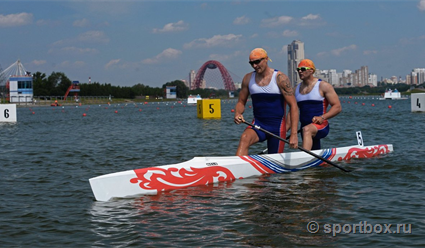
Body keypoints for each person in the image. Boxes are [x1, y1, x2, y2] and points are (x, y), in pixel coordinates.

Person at [234, 48, 299, 155]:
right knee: (244, 138)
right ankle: (236, 169)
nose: (254, 65)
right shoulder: (248, 78)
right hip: (258, 124)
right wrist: (238, 113)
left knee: (274, 165)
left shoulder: (280, 78)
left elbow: (293, 106)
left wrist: (294, 134)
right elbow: (241, 102)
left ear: (266, 59)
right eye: (252, 63)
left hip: (277, 128)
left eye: (257, 62)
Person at [287, 59, 342, 151]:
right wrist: (285, 129)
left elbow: (337, 107)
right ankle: (316, 163)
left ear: (311, 70)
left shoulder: (323, 86)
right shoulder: (296, 89)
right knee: (314, 150)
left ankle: (304, 160)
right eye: (298, 69)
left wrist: (322, 117)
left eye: (303, 69)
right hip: (304, 127)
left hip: (321, 126)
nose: (300, 71)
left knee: (307, 130)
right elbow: (292, 112)